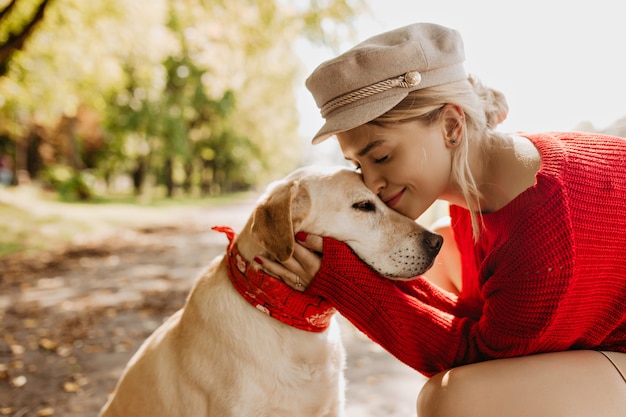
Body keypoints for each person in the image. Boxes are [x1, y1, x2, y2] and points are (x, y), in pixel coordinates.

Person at [255, 22, 626, 416]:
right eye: (358, 164)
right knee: (438, 250)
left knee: (454, 398)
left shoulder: (545, 225)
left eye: (380, 156)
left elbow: (478, 359)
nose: (372, 183)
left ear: (451, 125)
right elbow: (477, 317)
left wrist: (341, 279)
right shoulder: (487, 183)